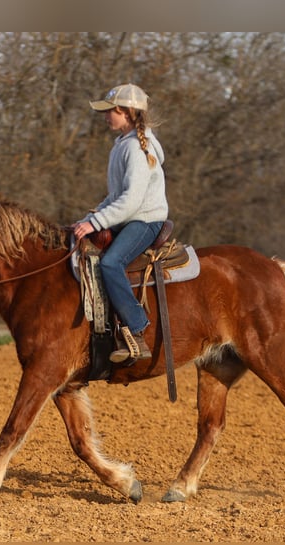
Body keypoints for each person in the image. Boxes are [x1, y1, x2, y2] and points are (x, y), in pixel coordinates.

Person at [72, 83, 168, 363]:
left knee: (111, 263)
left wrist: (96, 222)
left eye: (110, 111)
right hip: (129, 216)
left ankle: (137, 330)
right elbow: (115, 197)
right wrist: (89, 220)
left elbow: (131, 201)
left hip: (145, 220)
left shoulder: (137, 149)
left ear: (126, 113)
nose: (105, 117)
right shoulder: (122, 145)